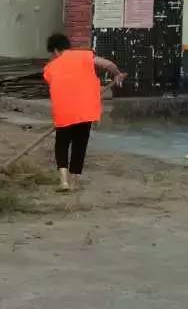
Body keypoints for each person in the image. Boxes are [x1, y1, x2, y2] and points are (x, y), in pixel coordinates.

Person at [43, 33, 126, 192]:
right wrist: (117, 74)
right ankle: (75, 182)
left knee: (62, 144)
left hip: (64, 112)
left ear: (55, 50)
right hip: (85, 110)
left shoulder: (49, 68)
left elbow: (59, 83)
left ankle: (64, 181)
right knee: (79, 145)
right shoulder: (84, 56)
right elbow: (108, 64)